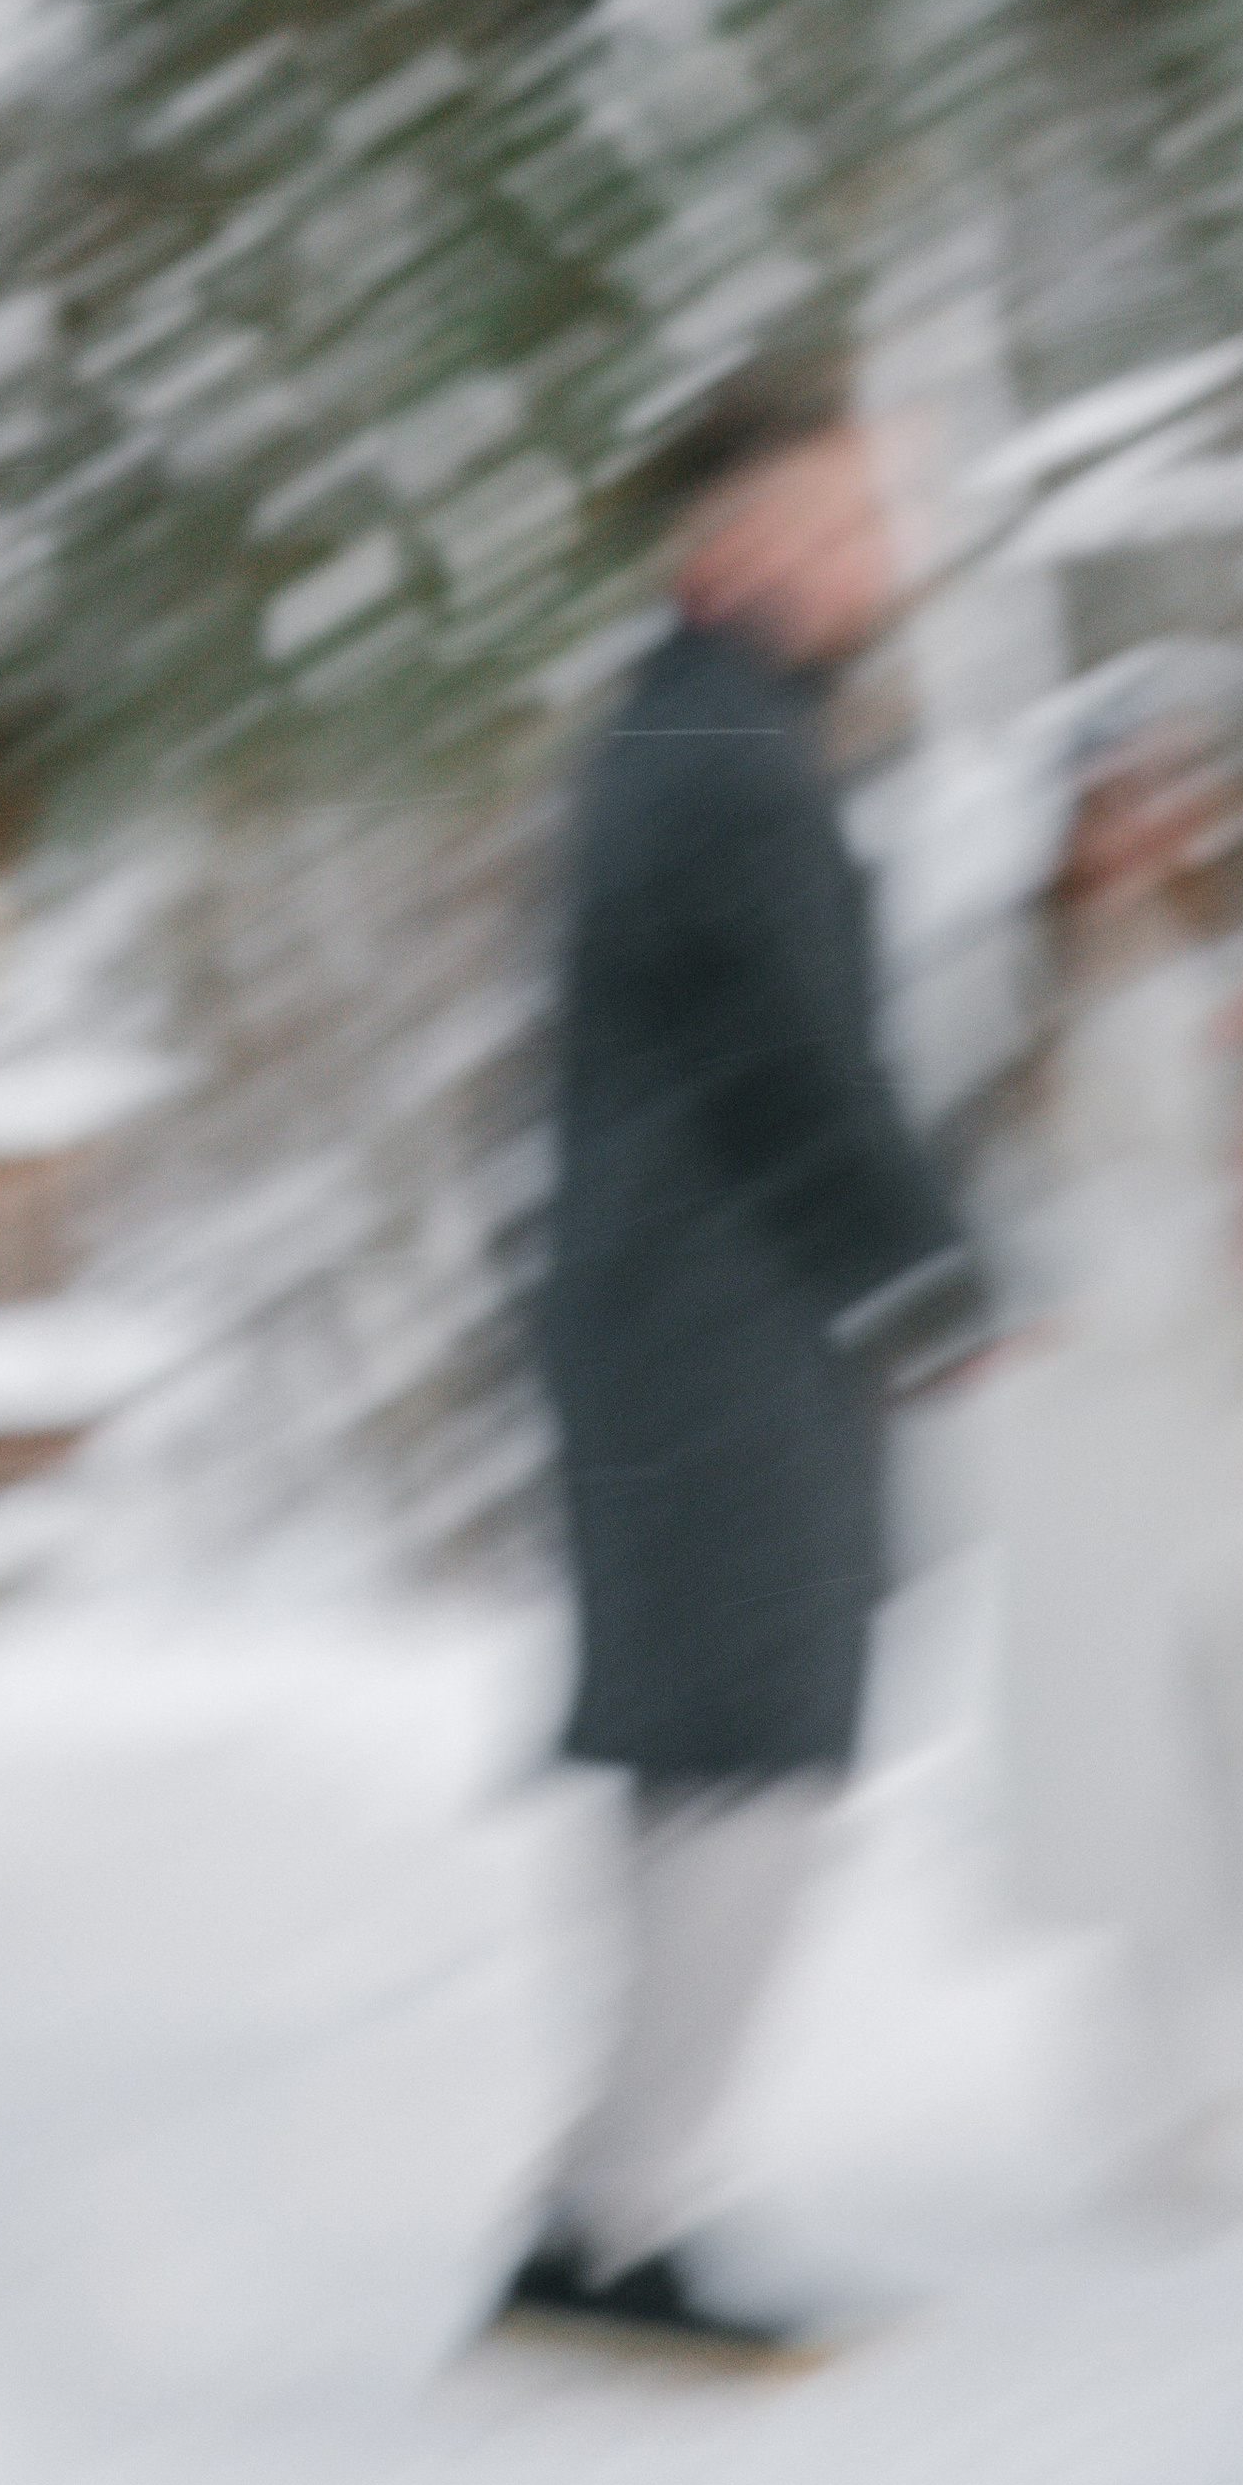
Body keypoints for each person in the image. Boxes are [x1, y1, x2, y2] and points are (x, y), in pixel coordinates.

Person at [493, 345, 993, 2370]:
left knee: (713, 1758)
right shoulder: (722, 749)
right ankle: (613, 2230)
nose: (884, 550)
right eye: (849, 514)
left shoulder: (695, 726)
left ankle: (619, 2206)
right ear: (744, 540)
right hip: (710, 1332)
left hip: (678, 1323)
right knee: (755, 1757)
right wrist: (932, 1280)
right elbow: (796, 1068)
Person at [979, 715, 1243, 2200]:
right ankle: (1169, 2084)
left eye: (1177, 796)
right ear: (1071, 825)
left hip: (1241, 1415)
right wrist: (1215, 1245)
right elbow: (1030, 1227)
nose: (1152, 826)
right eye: (1118, 801)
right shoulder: (1023, 1006)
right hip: (1104, 1425)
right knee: (1142, 1750)